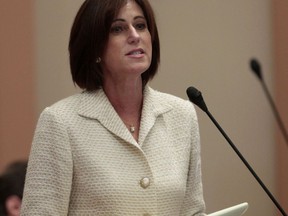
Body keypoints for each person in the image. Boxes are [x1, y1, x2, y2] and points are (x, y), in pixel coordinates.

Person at [21, 0, 206, 215]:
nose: (135, 36)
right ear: (94, 47)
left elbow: (193, 211)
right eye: (118, 28)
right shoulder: (60, 122)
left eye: (140, 25)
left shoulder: (181, 115)